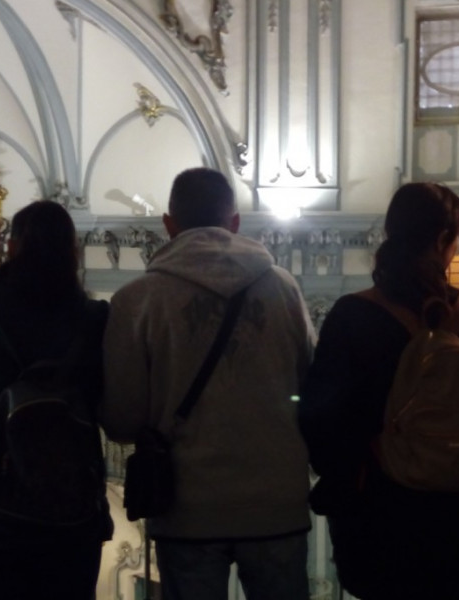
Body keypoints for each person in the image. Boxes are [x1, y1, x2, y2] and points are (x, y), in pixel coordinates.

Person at [298, 182, 459, 600]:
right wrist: (458, 462)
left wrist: (364, 475)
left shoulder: (352, 317)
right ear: (443, 240)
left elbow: (319, 418)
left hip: (378, 529)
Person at [101, 167, 316, 600]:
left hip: (187, 509)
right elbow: (311, 385)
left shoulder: (136, 301)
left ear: (168, 224)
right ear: (235, 223)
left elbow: (122, 418)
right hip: (276, 504)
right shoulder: (283, 288)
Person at [0, 200, 112, 600]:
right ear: (73, 252)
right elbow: (105, 399)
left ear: (11, 247)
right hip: (71, 511)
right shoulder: (95, 319)